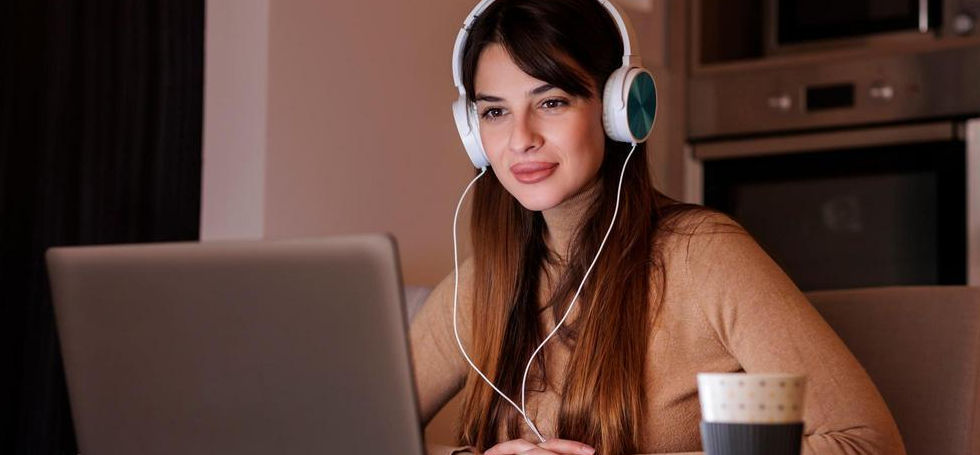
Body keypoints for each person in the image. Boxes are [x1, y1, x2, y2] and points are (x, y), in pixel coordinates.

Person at [410, 0, 906, 454]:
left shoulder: (703, 256)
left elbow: (868, 443)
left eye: (552, 101)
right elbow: (344, 429)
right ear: (473, 133)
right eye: (495, 112)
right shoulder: (480, 286)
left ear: (618, 111)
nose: (520, 139)